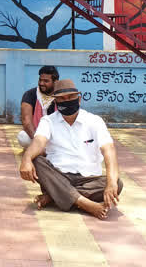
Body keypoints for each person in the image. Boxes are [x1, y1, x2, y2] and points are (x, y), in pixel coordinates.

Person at [19, 79, 123, 220]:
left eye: (70, 97)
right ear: (56, 103)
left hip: (88, 180)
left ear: (79, 99)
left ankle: (54, 196)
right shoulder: (48, 121)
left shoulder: (94, 121)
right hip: (58, 176)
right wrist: (26, 159)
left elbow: (109, 150)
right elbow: (38, 142)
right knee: (36, 160)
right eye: (61, 99)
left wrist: (110, 183)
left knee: (117, 183)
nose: (66, 101)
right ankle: (85, 203)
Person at [18, 66, 59, 148]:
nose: (41, 83)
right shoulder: (30, 94)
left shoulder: (61, 95)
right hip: (36, 135)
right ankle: (40, 149)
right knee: (23, 137)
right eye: (40, 80)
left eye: (46, 81)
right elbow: (26, 121)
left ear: (55, 82)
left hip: (57, 136)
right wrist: (38, 142)